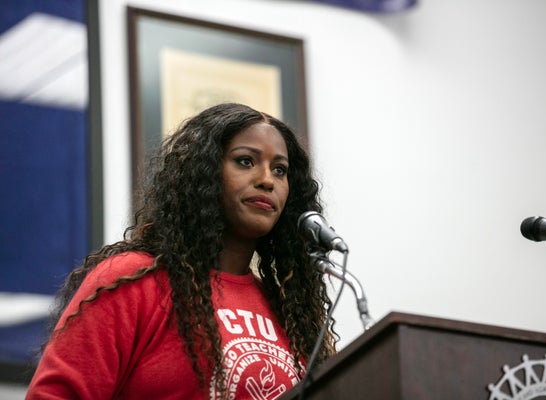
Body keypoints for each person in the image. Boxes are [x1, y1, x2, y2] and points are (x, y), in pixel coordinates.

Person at [25, 102, 337, 399]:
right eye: (245, 161)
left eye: (280, 170)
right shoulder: (133, 279)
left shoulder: (289, 311)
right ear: (203, 173)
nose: (267, 180)